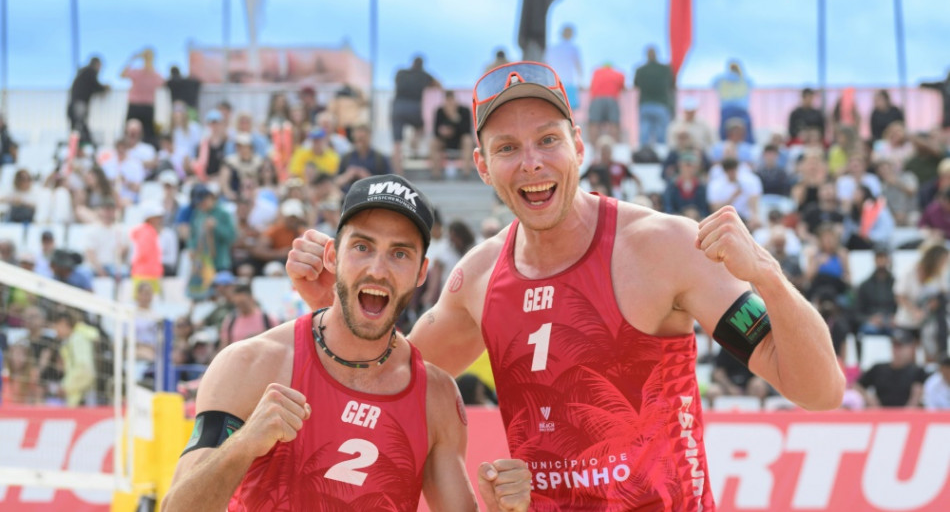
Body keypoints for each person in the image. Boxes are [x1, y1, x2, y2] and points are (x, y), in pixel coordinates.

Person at [287, 61, 844, 509]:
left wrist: (766, 274)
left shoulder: (664, 247)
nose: (530, 163)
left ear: (578, 146)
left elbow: (819, 391)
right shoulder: (478, 280)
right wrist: (331, 304)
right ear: (482, 166)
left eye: (547, 140)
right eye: (507, 148)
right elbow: (387, 375)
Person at [163, 174, 531, 511]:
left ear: (421, 272)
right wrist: (243, 446)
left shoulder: (435, 396)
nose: (377, 269)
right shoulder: (253, 364)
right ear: (333, 255)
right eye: (362, 247)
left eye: (399, 253)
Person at [391, 56, 440, 175]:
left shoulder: (401, 72)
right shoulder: (424, 75)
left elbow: (396, 82)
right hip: (414, 107)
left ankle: (398, 173)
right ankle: (414, 142)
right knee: (422, 127)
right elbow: (439, 85)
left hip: (397, 107)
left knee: (397, 144)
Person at [853, 329, 928, 408]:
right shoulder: (878, 368)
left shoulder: (918, 371)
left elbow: (925, 394)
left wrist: (913, 403)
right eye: (894, 345)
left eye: (900, 346)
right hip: (880, 414)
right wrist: (869, 399)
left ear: (910, 348)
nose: (897, 350)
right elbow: (857, 385)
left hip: (908, 415)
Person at [120, 48, 165, 146]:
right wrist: (133, 59)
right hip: (137, 106)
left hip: (145, 106)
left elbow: (162, 82)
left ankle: (146, 153)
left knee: (147, 133)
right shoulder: (141, 72)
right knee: (130, 131)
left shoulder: (153, 74)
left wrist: (133, 59)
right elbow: (122, 75)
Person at [633, 46, 675, 149]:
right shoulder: (665, 69)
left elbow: (636, 84)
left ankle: (643, 154)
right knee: (661, 134)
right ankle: (661, 153)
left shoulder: (640, 70)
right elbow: (672, 84)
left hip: (645, 105)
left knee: (645, 132)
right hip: (661, 104)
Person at [429, 90, 474, 179]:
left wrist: (455, 118)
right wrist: (443, 132)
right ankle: (436, 174)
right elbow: (435, 131)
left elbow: (467, 130)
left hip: (460, 141)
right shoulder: (440, 111)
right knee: (433, 142)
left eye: (451, 100)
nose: (450, 103)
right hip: (445, 141)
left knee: (468, 140)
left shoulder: (464, 110)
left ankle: (466, 173)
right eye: (447, 100)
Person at [67, 56, 109, 146]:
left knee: (77, 125)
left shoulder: (83, 72)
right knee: (79, 124)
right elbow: (96, 85)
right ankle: (84, 144)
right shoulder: (90, 72)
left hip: (75, 103)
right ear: (96, 64)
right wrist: (105, 88)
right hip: (79, 103)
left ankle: (79, 144)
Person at [543, 24, 583, 110]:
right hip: (568, 83)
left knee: (554, 109)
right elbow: (578, 67)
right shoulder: (573, 48)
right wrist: (580, 82)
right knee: (570, 112)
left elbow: (545, 65)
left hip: (553, 83)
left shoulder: (551, 48)